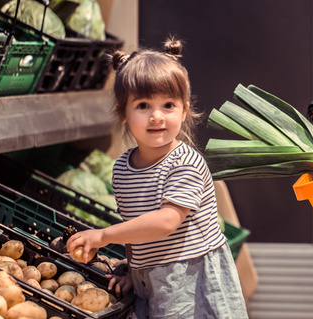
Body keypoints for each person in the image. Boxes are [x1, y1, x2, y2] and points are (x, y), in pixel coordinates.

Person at [66, 37, 248, 318]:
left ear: (184, 109)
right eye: (142, 106)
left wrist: (103, 235)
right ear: (122, 112)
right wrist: (132, 270)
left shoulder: (185, 162)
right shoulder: (122, 168)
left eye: (168, 105)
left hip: (193, 280)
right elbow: (133, 225)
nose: (156, 117)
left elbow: (166, 221)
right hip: (151, 279)